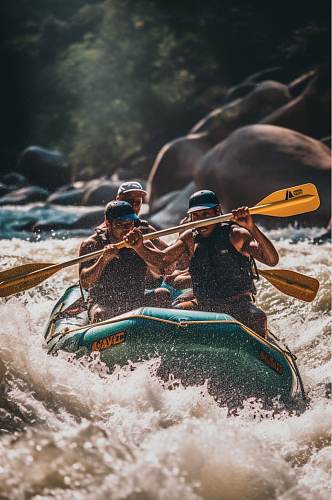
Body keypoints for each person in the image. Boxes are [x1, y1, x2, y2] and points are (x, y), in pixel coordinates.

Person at [161, 190, 279, 337]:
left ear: (217, 212)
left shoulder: (236, 234)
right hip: (205, 305)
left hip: (237, 305)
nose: (201, 220)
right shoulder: (190, 238)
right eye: (196, 215)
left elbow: (272, 260)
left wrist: (251, 228)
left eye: (205, 214)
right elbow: (163, 259)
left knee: (258, 317)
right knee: (172, 317)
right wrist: (138, 245)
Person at [79, 200, 168, 323]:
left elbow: (159, 274)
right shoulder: (92, 244)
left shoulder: (142, 242)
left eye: (130, 224)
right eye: (120, 225)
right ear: (108, 223)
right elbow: (85, 283)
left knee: (162, 294)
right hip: (104, 303)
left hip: (136, 299)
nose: (127, 230)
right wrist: (103, 260)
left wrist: (140, 249)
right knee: (101, 314)